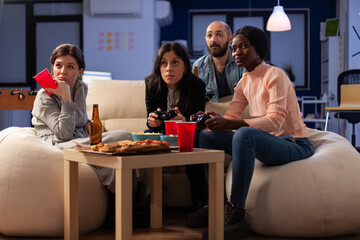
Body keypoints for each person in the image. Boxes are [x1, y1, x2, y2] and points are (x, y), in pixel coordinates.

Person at [191, 26, 315, 239]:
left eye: (244, 47)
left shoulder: (275, 75)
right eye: (234, 48)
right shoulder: (244, 82)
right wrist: (213, 120)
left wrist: (232, 125)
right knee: (206, 136)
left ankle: (237, 211)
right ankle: (219, 204)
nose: (237, 52)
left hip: (294, 144)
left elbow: (276, 121)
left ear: (258, 49)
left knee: (243, 134)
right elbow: (232, 115)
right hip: (267, 142)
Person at [31, 43, 147, 227]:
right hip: (57, 143)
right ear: (52, 67)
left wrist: (85, 121)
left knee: (124, 146)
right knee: (123, 136)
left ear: (80, 71)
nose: (63, 71)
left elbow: (79, 116)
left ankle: (128, 209)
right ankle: (126, 211)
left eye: (70, 66)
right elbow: (63, 133)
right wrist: (66, 98)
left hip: (78, 138)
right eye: (58, 65)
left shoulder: (81, 87)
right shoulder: (44, 96)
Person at [145, 41, 208, 211]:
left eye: (175, 62)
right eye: (163, 63)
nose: (168, 68)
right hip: (161, 132)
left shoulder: (197, 86)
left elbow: (200, 121)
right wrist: (153, 121)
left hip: (187, 133)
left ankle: (200, 201)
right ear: (158, 67)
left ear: (185, 67)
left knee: (195, 142)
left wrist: (185, 121)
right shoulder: (151, 84)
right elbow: (150, 118)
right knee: (142, 140)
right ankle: (143, 198)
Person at [193, 21, 246, 102]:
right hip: (210, 113)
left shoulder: (242, 62)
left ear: (230, 39)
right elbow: (195, 99)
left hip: (240, 112)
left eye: (219, 35)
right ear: (205, 39)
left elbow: (249, 97)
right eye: (209, 35)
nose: (213, 40)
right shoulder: (197, 66)